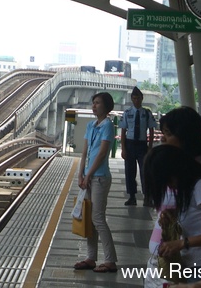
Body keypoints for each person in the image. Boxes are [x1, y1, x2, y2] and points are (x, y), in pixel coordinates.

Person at [144, 144, 201, 283]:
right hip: (192, 268)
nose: (168, 185)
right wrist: (174, 215)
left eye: (168, 180)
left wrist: (182, 243)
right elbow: (198, 217)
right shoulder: (188, 189)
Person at [144, 106, 201, 288]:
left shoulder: (197, 180)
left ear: (184, 138)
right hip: (167, 255)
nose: (163, 138)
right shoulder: (174, 170)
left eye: (167, 133)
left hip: (185, 261)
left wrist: (182, 243)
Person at [73, 92, 118, 274]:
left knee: (98, 218)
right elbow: (85, 152)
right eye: (93, 103)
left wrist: (89, 175)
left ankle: (110, 260)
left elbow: (102, 154)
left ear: (106, 106)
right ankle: (91, 258)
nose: (94, 106)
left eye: (98, 103)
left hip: (99, 178)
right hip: (89, 177)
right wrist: (80, 174)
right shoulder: (91, 125)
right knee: (89, 219)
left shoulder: (108, 125)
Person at [119, 86, 156, 206]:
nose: (136, 101)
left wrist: (150, 147)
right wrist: (123, 148)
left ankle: (147, 197)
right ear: (131, 99)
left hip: (142, 144)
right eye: (134, 98)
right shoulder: (127, 113)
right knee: (130, 171)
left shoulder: (147, 113)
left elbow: (151, 130)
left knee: (145, 171)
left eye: (138, 98)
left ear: (142, 98)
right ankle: (132, 196)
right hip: (130, 144)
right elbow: (123, 131)